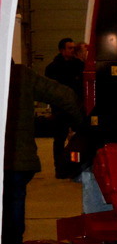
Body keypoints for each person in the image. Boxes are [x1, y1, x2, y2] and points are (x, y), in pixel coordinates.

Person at [4, 63, 83, 244]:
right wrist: (83, 127)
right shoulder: (20, 75)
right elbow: (66, 96)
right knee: (11, 238)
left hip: (12, 165)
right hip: (16, 165)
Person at [44, 37, 84, 179]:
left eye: (73, 48)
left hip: (76, 108)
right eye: (70, 48)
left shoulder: (79, 66)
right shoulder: (52, 68)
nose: (72, 50)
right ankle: (60, 169)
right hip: (60, 109)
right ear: (62, 50)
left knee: (78, 139)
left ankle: (75, 167)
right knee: (59, 139)